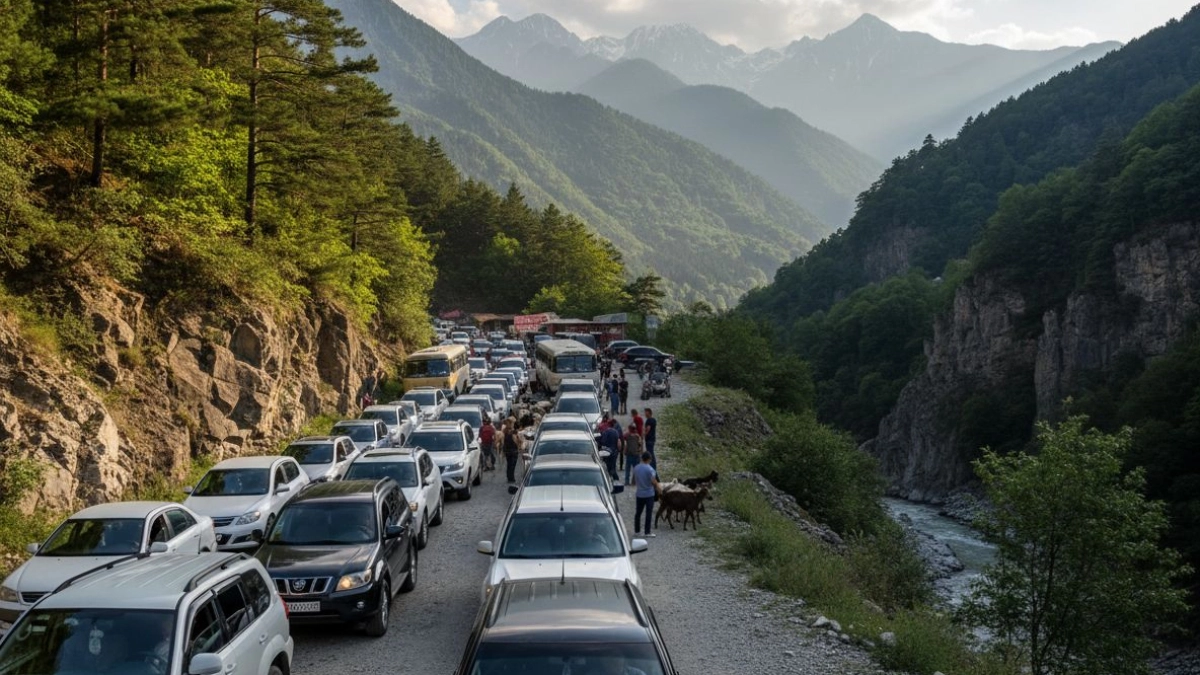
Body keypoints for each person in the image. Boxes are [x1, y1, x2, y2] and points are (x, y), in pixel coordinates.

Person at [632, 451, 659, 537]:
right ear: (649, 459)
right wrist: (659, 489)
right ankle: (647, 532)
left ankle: (637, 531)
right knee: (648, 513)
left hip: (639, 493)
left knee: (638, 513)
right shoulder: (650, 469)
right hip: (649, 494)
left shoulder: (636, 468)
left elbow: (634, 481)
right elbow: (653, 481)